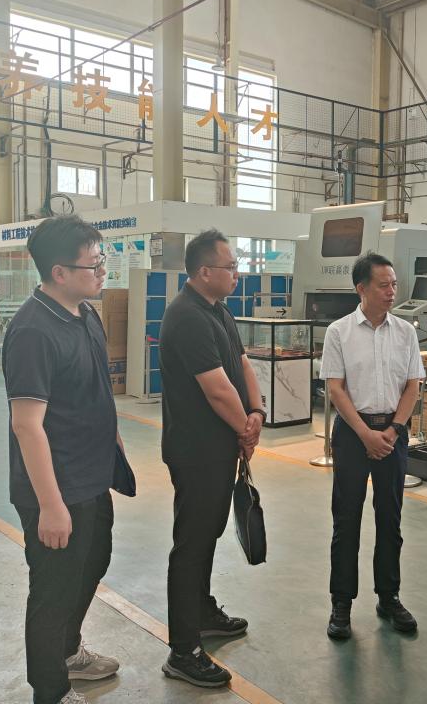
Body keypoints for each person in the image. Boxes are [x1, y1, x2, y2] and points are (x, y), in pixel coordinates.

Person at [2, 215, 135, 704]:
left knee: (93, 562)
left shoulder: (85, 314)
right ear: (59, 272)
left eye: (102, 261)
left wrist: (112, 437)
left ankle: (68, 652)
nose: (103, 272)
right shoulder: (33, 331)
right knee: (53, 592)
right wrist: (51, 506)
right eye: (93, 264)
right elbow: (26, 425)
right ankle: (51, 691)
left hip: (92, 474)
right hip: (56, 487)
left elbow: (95, 387)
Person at [159, 229, 266, 689]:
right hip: (196, 452)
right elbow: (217, 389)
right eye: (230, 266)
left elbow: (241, 364)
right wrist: (245, 428)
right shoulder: (186, 316)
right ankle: (183, 651)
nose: (237, 273)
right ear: (204, 271)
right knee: (192, 544)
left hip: (219, 449)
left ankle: (201, 613)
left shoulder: (218, 309)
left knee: (207, 536)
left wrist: (257, 412)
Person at [319, 252, 425, 640]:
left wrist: (394, 430)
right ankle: (341, 603)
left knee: (390, 518)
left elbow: (413, 385)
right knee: (346, 519)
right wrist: (365, 434)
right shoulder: (339, 332)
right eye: (384, 285)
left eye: (394, 284)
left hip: (393, 433)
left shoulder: (405, 332)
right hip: (352, 434)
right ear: (361, 289)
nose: (391, 291)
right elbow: (335, 389)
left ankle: (389, 597)